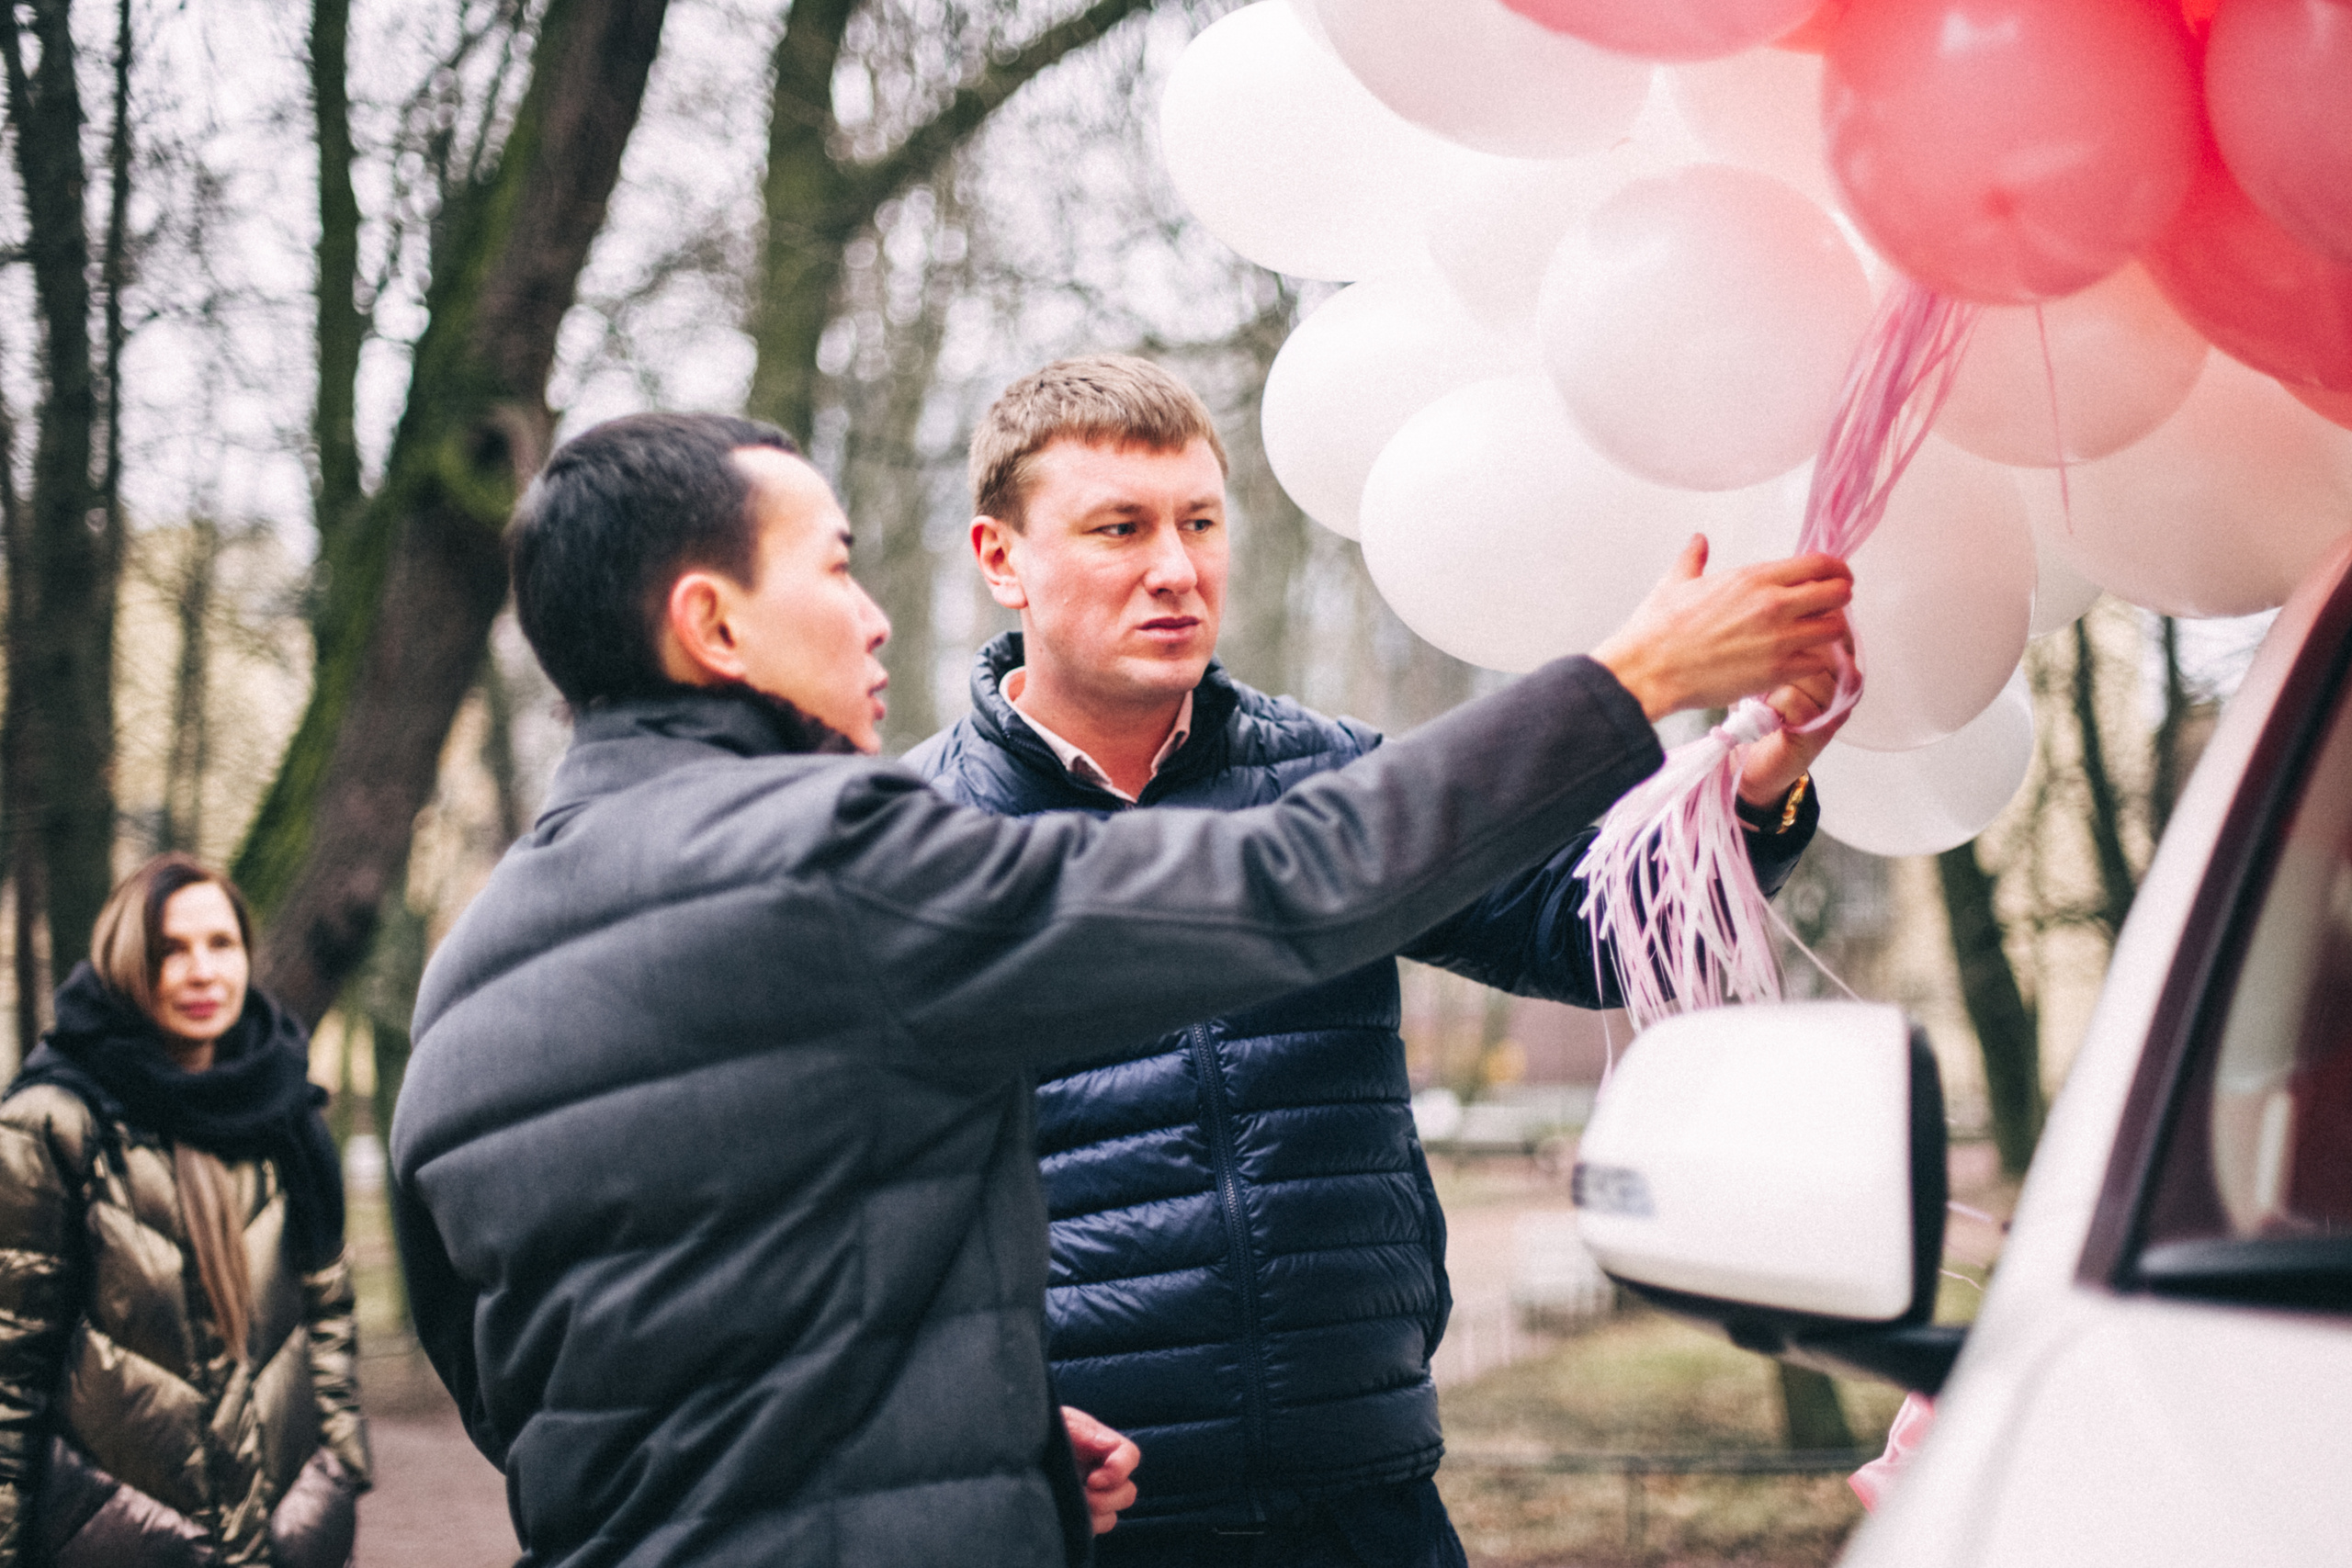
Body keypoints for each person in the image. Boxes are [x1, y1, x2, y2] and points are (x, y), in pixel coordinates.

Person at [389, 411, 1850, 1568]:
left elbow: (525, 1371)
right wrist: (1626, 682)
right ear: (714, 625)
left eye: (1202, 523)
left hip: (1338, 1495)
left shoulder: (469, 972)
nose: (873, 613)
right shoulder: (859, 852)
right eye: (832, 566)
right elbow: (1291, 882)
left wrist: (979, 1427)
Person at [903, 355, 1845, 1564]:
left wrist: (1755, 784)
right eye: (1118, 527)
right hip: (1084, 1518)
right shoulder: (910, 843)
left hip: (1364, 1497)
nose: (1178, 569)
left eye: (1200, 520)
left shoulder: (1331, 773)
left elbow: (1593, 931)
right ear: (1000, 557)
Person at [0, 853, 370, 1568]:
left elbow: (328, 1305)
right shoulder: (53, 1125)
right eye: (171, 950)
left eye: (221, 944)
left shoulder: (285, 1111)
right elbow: (8, 1373)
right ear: (126, 963)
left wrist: (337, 1482)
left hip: (285, 1543)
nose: (203, 971)